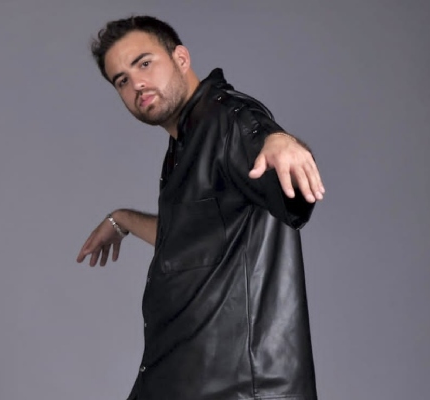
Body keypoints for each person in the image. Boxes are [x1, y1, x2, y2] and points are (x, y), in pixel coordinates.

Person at [77, 15, 324, 400]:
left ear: (181, 58)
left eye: (144, 63)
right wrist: (122, 220)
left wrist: (281, 142)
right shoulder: (185, 142)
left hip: (238, 388)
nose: (136, 83)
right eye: (121, 80)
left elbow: (284, 174)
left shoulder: (227, 119)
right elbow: (192, 237)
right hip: (180, 377)